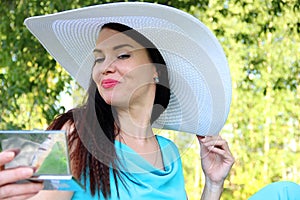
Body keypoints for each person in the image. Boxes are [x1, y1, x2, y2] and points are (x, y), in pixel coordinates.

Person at [0, 2, 297, 200]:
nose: (105, 67)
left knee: (286, 192)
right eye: (99, 59)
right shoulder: (77, 132)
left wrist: (213, 183)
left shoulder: (168, 153)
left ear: (155, 72)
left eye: (123, 54)